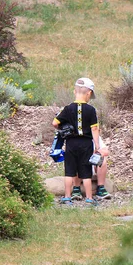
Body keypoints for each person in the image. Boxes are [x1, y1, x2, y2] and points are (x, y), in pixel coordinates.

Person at [52, 77, 101, 206]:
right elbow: (94, 128)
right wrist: (97, 145)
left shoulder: (68, 109)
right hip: (86, 144)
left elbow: (55, 123)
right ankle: (90, 198)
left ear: (75, 91)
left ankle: (67, 197)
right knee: (86, 172)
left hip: (71, 143)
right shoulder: (91, 110)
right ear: (89, 93)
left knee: (69, 171)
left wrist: (63, 128)